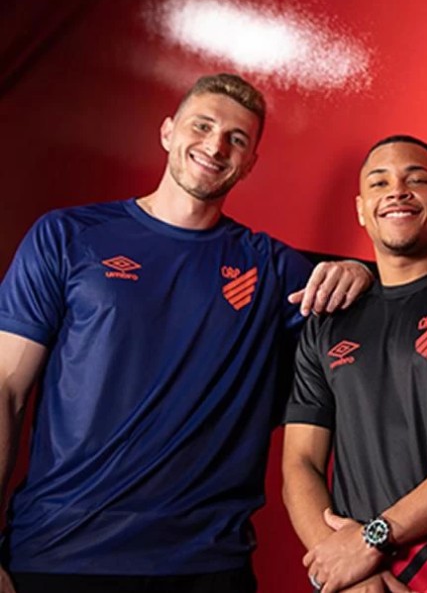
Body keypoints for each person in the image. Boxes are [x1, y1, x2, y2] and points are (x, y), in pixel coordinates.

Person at [0, 73, 373, 593]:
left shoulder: (269, 267)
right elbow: (6, 389)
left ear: (250, 163)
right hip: (60, 553)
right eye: (202, 126)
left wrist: (361, 273)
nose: (216, 146)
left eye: (236, 139)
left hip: (206, 564)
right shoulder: (68, 236)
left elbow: (376, 317)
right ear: (168, 132)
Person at [283, 135, 427, 593]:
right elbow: (300, 463)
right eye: (379, 182)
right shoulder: (328, 318)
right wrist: (342, 566)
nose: (397, 192)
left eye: (417, 180)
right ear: (361, 209)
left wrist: (372, 539)